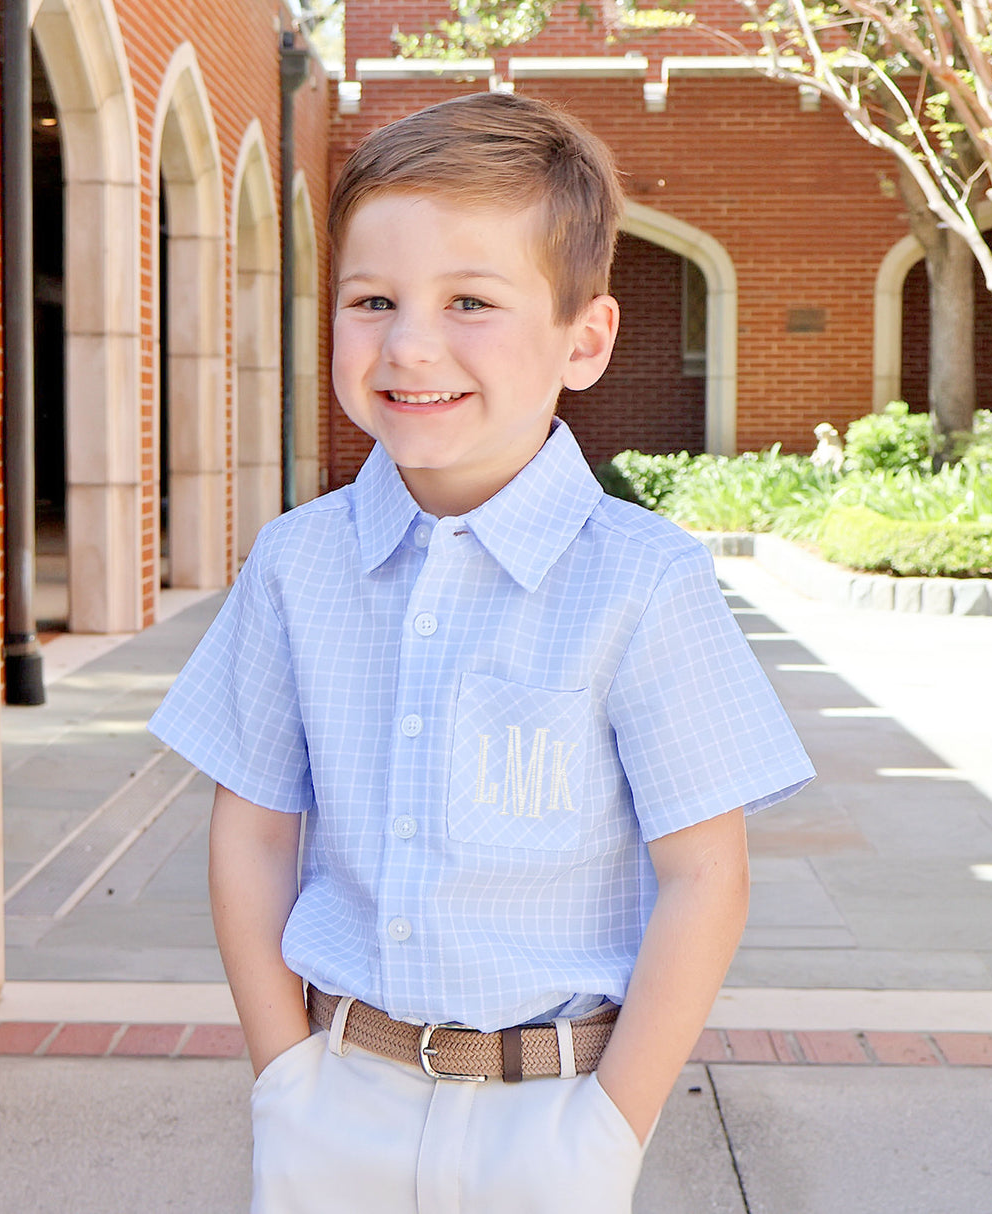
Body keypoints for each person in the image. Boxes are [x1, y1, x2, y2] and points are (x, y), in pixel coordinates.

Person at [149, 91, 814, 1213]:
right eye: (373, 299)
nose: (410, 344)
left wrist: (612, 1122)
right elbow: (252, 828)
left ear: (583, 337)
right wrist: (282, 1071)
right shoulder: (293, 565)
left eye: (469, 300)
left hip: (552, 1114)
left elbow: (705, 874)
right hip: (334, 1098)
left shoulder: (642, 581)